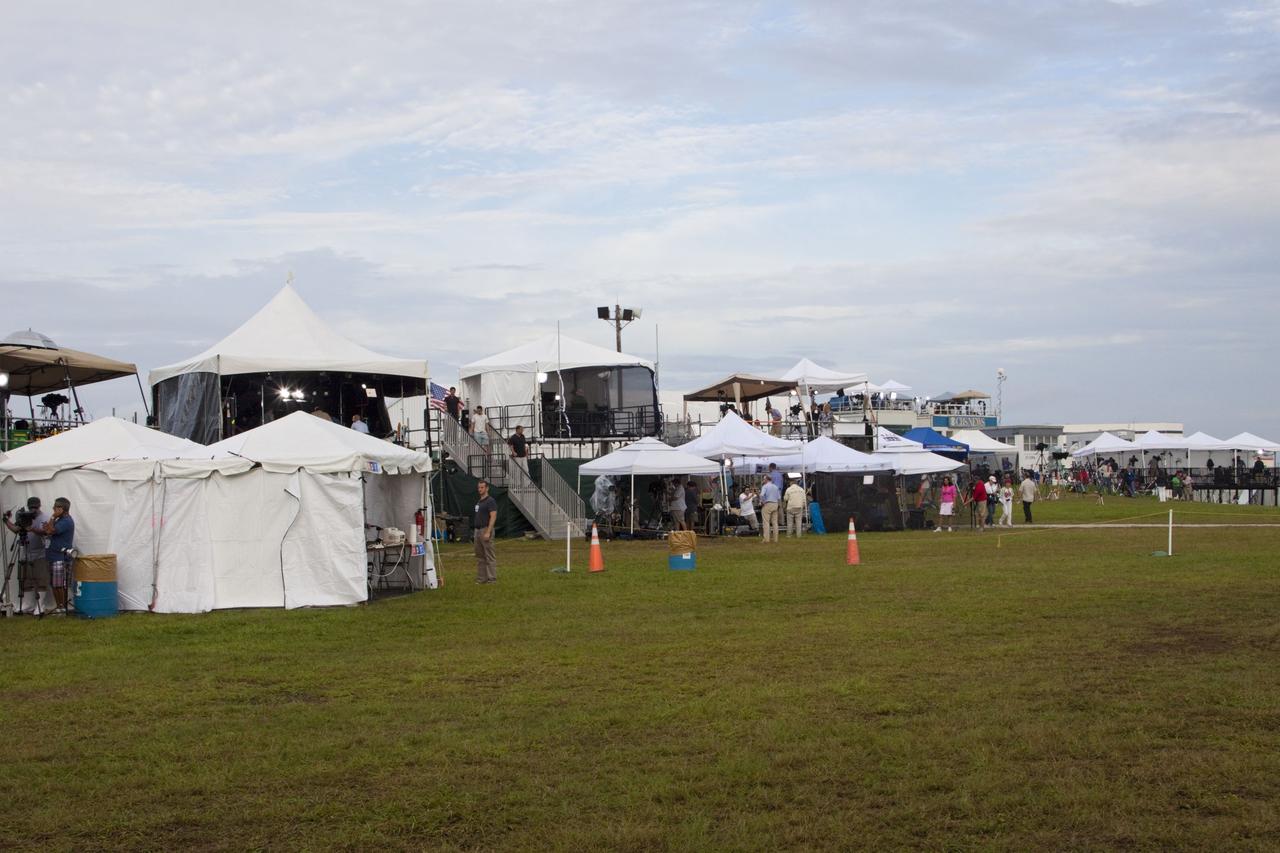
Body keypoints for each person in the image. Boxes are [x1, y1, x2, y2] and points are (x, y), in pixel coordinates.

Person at [3, 496, 50, 615]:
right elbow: (16, 529)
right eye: (31, 508)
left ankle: (41, 605)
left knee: (40, 579)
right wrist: (6, 521)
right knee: (27, 580)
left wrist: (32, 529)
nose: (33, 510)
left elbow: (46, 533)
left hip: (40, 554)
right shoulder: (24, 516)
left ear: (39, 506)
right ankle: (28, 604)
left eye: (35, 507)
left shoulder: (44, 518)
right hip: (26, 553)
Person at [41, 497, 74, 612]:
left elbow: (50, 531)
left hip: (61, 557)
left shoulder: (66, 521)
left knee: (59, 585)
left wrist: (52, 517)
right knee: (54, 584)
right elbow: (48, 530)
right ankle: (59, 606)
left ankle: (62, 607)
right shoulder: (59, 520)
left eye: (55, 507)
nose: (53, 509)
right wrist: (50, 523)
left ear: (61, 508)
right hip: (53, 555)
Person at [473, 480, 497, 583]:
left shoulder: (490, 501)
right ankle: (482, 578)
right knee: (480, 556)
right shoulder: (479, 502)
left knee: (489, 555)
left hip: (485, 529)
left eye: (482, 487)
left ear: (487, 488)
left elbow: (493, 516)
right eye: (479, 487)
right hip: (477, 530)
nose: (480, 489)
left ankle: (492, 579)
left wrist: (488, 531)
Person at [759, 477, 781, 543]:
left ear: (766, 480)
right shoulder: (776, 486)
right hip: (775, 504)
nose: (763, 480)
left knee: (766, 522)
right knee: (775, 522)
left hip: (768, 504)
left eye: (763, 479)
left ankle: (766, 539)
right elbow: (779, 497)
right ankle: (775, 539)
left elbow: (761, 495)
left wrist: (763, 502)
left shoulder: (765, 486)